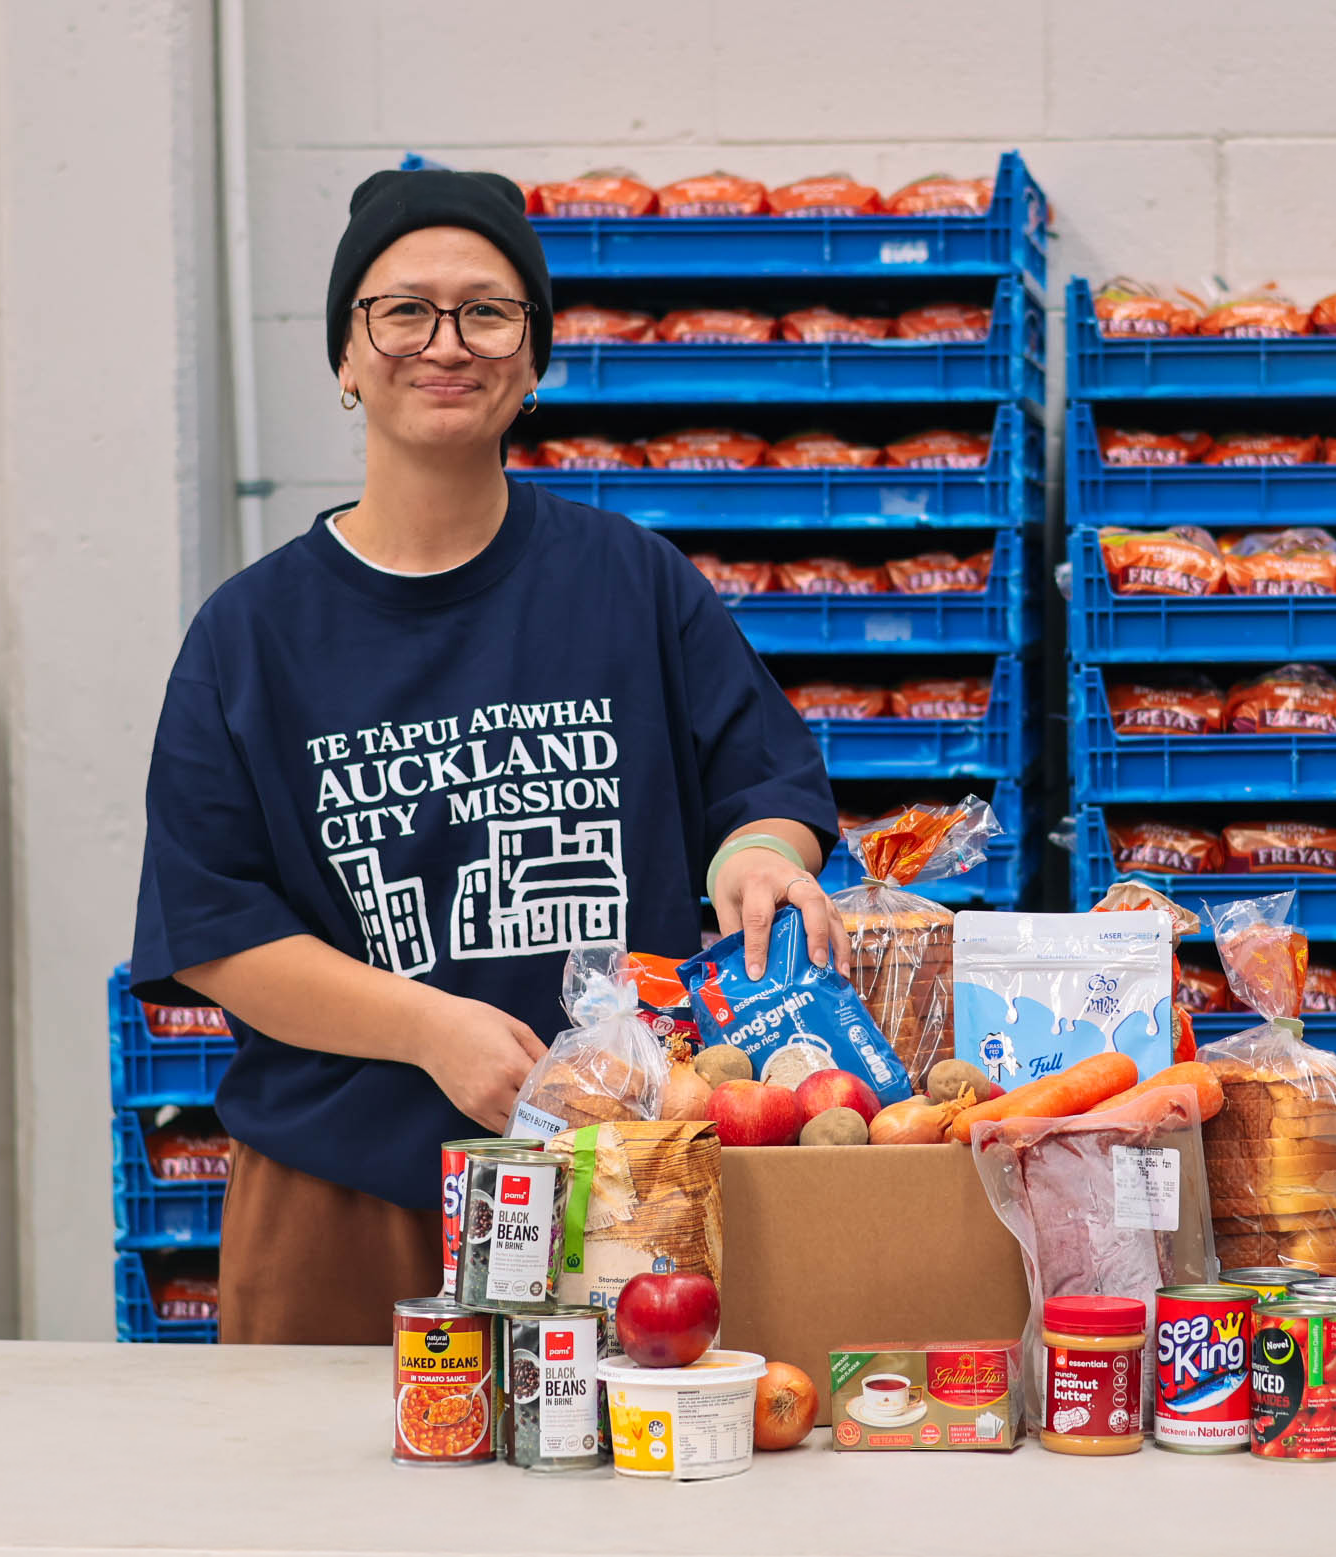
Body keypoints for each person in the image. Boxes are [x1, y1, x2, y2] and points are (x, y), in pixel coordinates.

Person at [130, 169, 842, 1344]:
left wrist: (760, 853)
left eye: (488, 312)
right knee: (306, 1469)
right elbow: (214, 931)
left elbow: (765, 785)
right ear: (346, 355)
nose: (446, 343)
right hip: (341, 1192)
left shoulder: (631, 582)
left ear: (532, 356)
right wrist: (428, 1028)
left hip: (625, 1176)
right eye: (403, 311)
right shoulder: (250, 634)